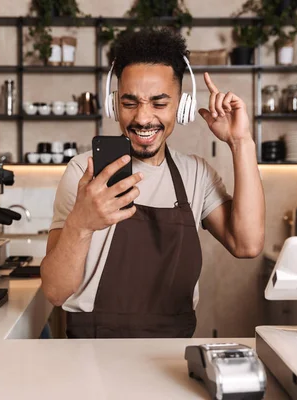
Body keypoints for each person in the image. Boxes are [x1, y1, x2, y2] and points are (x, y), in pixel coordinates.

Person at [41, 28, 265, 338]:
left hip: (171, 353)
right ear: (113, 104)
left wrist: (241, 142)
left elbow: (247, 244)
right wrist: (81, 225)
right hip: (92, 352)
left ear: (181, 106)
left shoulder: (196, 175)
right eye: (130, 103)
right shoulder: (84, 172)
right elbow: (54, 292)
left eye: (159, 103)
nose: (143, 118)